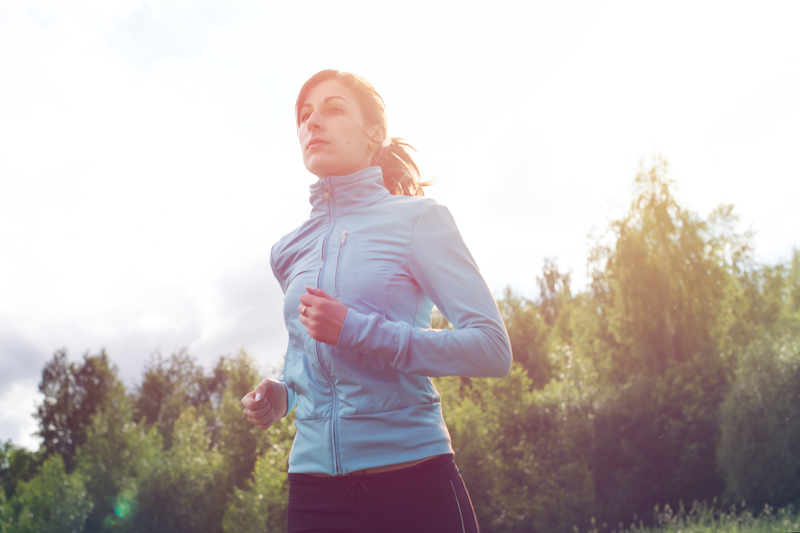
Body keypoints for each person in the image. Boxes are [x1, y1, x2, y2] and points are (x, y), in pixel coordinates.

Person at [241, 69, 512, 533]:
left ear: (375, 134)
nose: (313, 123)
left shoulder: (420, 221)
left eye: (333, 109)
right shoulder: (288, 250)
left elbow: (492, 350)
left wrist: (356, 330)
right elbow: (315, 367)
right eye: (305, 116)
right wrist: (282, 394)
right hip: (313, 493)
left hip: (411, 483)